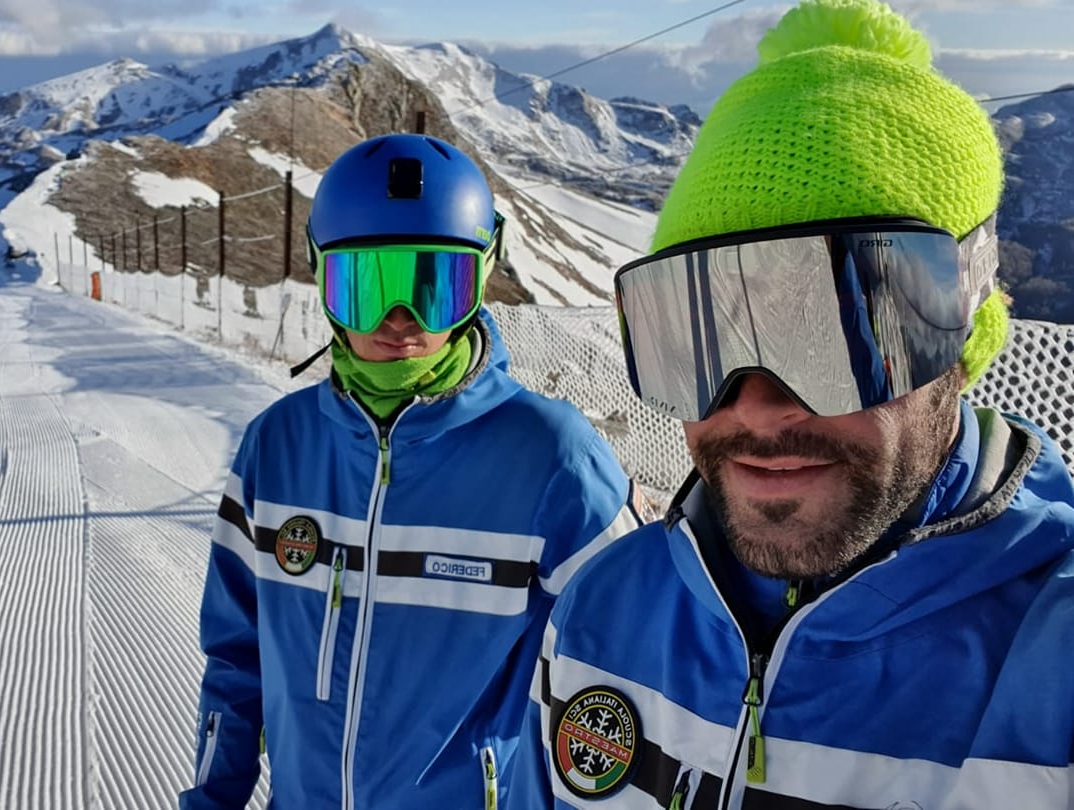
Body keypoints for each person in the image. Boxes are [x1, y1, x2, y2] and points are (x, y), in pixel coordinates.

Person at [512, 0, 1074, 807]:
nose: (759, 409)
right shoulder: (601, 614)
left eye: (837, 334)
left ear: (962, 330)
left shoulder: (1050, 668)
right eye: (700, 336)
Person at [180, 133, 642, 809]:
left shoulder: (552, 455)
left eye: (434, 284)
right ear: (322, 282)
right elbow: (235, 656)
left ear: (482, 278)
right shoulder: (276, 447)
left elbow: (630, 674)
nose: (401, 321)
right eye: (368, 285)